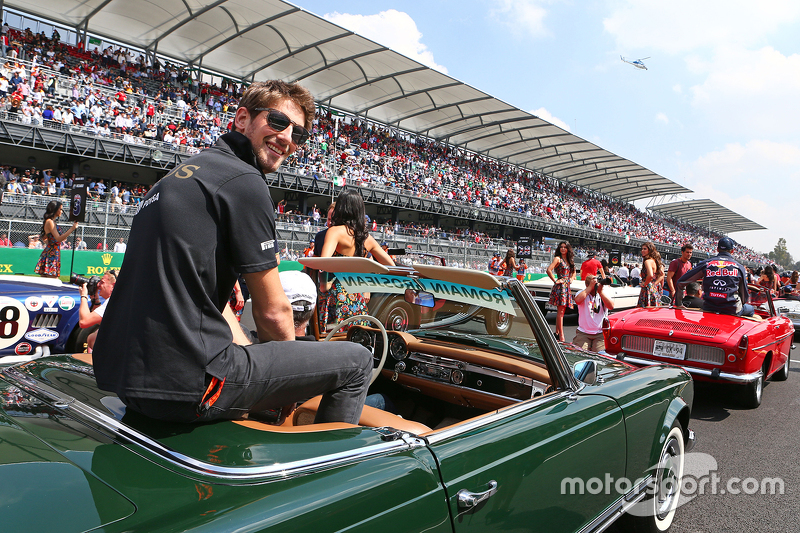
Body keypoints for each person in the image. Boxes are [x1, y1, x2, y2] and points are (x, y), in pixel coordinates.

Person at [93, 80, 373, 426]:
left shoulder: (178, 176)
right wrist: (287, 387)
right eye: (278, 121)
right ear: (242, 119)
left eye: (298, 134)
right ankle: (331, 475)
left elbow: (209, 302)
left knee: (252, 343)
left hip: (127, 379)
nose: (287, 138)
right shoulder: (244, 180)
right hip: (189, 383)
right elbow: (274, 313)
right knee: (358, 360)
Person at [319, 190, 394, 328]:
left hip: (337, 295)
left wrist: (324, 286)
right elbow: (391, 265)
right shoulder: (367, 238)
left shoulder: (335, 232)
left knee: (333, 341)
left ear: (341, 208)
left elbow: (323, 263)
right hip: (358, 299)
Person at [675, 237, 753, 317]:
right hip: (731, 309)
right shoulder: (739, 267)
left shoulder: (706, 263)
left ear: (717, 249)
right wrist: (741, 302)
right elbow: (744, 294)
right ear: (732, 251)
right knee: (751, 309)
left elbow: (681, 282)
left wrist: (679, 304)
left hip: (709, 307)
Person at [34, 200, 79, 278]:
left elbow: (45, 237)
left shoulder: (52, 222)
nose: (61, 211)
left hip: (54, 252)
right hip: (52, 254)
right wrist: (72, 228)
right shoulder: (50, 222)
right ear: (55, 209)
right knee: (51, 280)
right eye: (60, 209)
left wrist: (51, 242)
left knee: (49, 279)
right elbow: (58, 239)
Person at [572, 274, 614, 352]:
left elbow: (611, 306)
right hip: (583, 333)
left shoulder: (603, 293)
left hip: (600, 334)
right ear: (587, 285)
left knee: (601, 356)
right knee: (579, 354)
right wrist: (590, 288)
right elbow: (577, 300)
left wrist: (600, 292)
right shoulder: (582, 293)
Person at [78, 270, 117, 351]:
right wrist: (94, 297)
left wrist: (83, 296)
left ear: (113, 286)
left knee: (95, 337)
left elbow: (84, 322)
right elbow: (100, 319)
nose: (98, 285)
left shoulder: (113, 301)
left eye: (102, 282)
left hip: (119, 351)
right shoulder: (121, 298)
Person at [546, 241, 575, 342]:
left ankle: (557, 333)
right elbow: (549, 270)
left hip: (566, 286)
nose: (563, 249)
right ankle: (561, 335)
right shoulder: (557, 258)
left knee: (562, 311)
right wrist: (555, 280)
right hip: (560, 287)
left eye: (565, 247)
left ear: (568, 249)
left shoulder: (569, 260)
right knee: (561, 311)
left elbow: (574, 271)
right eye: (561, 247)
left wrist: (571, 279)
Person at [637, 242, 663, 308]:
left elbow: (650, 275)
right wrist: (654, 284)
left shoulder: (647, 261)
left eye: (645, 249)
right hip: (653, 288)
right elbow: (662, 275)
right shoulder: (655, 261)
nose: (642, 251)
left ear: (650, 250)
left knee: (644, 310)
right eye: (642, 249)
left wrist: (645, 284)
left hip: (647, 289)